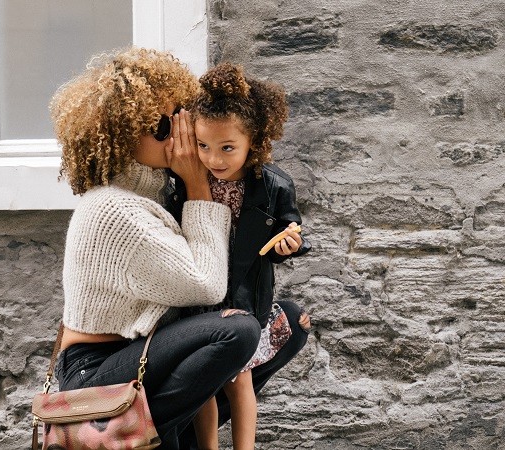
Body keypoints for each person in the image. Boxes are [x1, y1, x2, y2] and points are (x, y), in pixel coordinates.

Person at [50, 47, 262, 450]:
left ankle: (165, 436)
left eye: (182, 115)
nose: (180, 132)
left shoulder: (157, 193)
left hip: (140, 355)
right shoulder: (114, 209)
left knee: (285, 321)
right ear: (122, 134)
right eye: (162, 126)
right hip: (94, 371)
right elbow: (206, 284)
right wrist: (200, 187)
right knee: (237, 330)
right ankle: (124, 433)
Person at [169, 63, 313, 449]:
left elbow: (291, 229)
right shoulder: (187, 182)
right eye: (204, 146)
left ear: (255, 141)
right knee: (206, 380)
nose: (214, 158)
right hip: (200, 295)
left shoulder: (273, 185)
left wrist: (290, 244)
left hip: (246, 297)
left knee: (240, 378)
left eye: (227, 147)